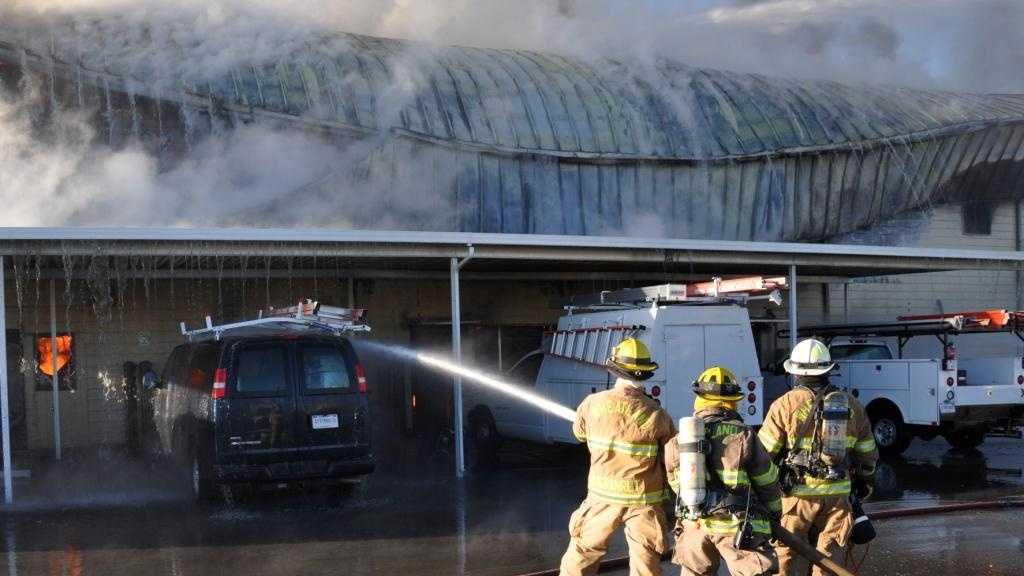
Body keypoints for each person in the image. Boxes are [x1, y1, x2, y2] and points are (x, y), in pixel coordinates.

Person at [758, 338, 879, 576]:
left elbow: (763, 455)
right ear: (828, 370)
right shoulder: (852, 405)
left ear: (795, 372)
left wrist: (764, 493)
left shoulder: (784, 405)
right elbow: (867, 454)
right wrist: (865, 484)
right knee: (827, 559)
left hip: (797, 498)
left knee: (786, 557)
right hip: (837, 497)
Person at [559, 337, 676, 576]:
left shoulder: (591, 404)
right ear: (645, 373)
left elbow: (579, 434)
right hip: (644, 500)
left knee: (583, 552)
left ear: (615, 370)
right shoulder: (657, 414)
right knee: (645, 562)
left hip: (601, 496)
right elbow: (672, 458)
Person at [665, 366, 783, 576]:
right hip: (738, 527)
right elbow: (767, 480)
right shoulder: (744, 435)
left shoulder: (679, 440)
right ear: (733, 401)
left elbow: (676, 483)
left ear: (700, 399)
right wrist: (774, 512)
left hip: (695, 525)